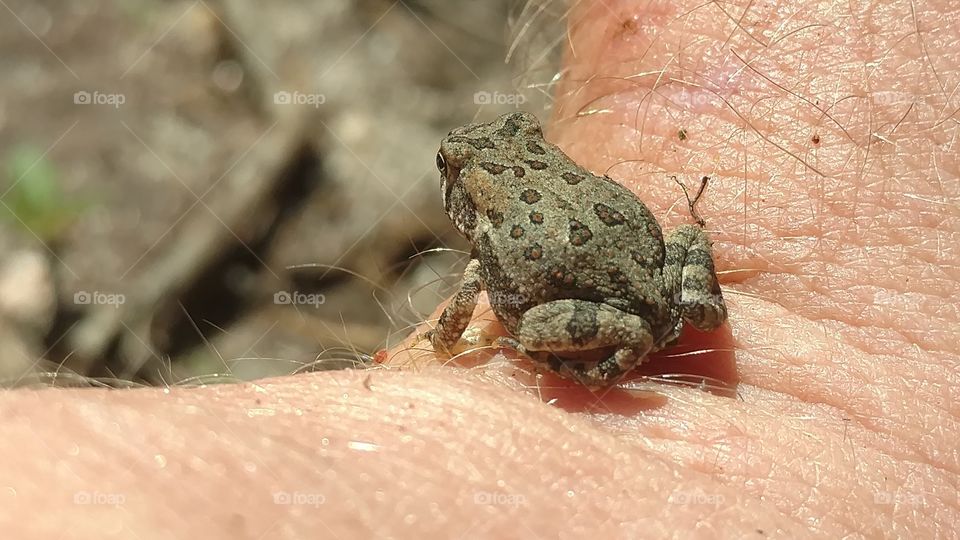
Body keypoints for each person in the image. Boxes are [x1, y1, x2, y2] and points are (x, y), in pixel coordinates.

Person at [2, 2, 956, 537]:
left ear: (473, 186)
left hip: (605, 313)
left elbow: (471, 307)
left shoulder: (484, 232)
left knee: (525, 329)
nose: (457, 163)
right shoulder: (545, 190)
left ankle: (602, 356)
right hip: (665, 283)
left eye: (462, 165)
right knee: (655, 284)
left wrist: (438, 360)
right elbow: (651, 246)